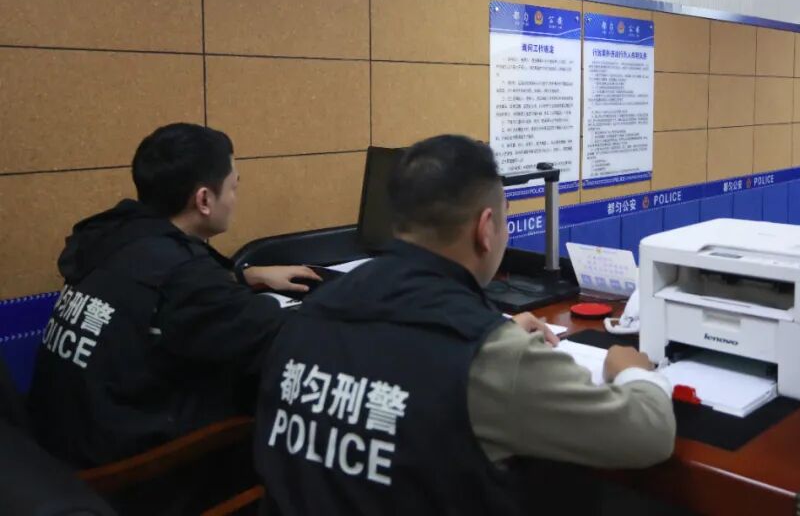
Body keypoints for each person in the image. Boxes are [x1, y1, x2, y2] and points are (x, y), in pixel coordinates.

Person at [254, 135, 676, 515]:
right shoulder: (491, 357)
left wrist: (492, 331)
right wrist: (634, 372)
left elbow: (395, 351)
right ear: (486, 228)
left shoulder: (309, 312)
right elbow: (649, 434)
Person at [29, 123, 319, 468]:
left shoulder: (112, 236)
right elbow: (283, 338)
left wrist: (244, 276)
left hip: (56, 449)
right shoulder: (187, 278)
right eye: (233, 187)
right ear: (204, 200)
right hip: (125, 475)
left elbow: (155, 288)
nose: (235, 198)